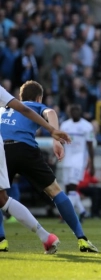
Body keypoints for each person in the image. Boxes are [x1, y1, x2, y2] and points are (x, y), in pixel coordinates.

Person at [0, 81, 75, 253]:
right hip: (12, 148)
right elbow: (44, 111)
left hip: (5, 146)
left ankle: (4, 239)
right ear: (39, 97)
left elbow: (27, 109)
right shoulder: (7, 98)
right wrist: (53, 132)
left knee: (2, 198)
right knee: (2, 198)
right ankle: (47, 236)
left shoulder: (8, 105)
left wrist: (52, 131)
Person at [60, 104, 95, 223]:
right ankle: (82, 211)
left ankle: (66, 215)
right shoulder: (65, 125)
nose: (74, 112)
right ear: (69, 112)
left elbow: (90, 145)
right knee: (68, 188)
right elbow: (60, 143)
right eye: (72, 110)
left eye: (77, 110)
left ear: (81, 112)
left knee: (73, 187)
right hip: (67, 159)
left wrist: (92, 163)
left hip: (79, 159)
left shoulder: (87, 126)